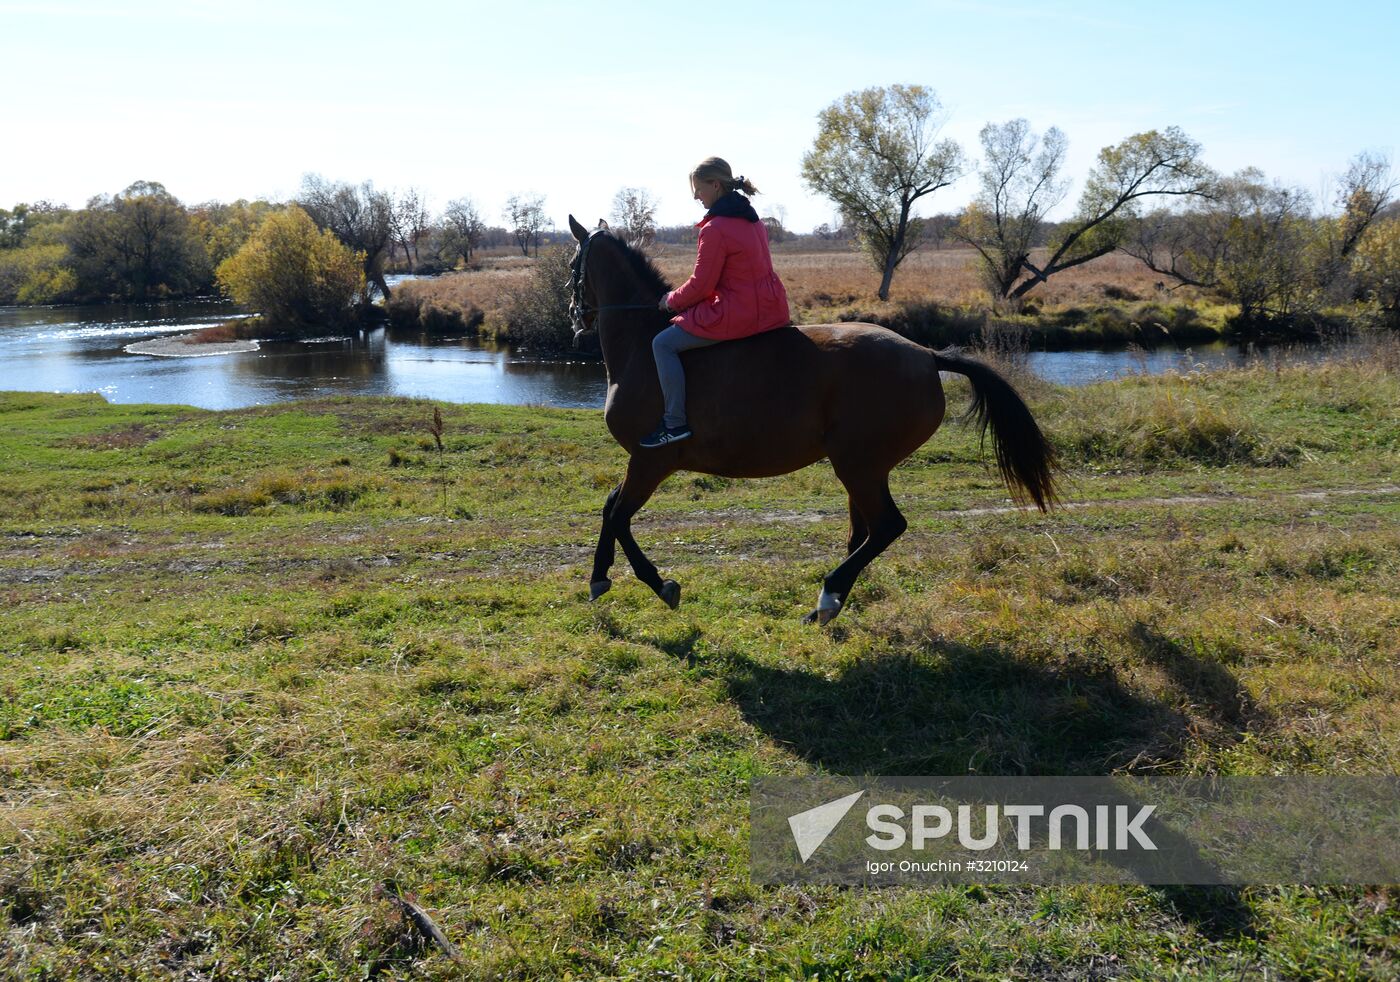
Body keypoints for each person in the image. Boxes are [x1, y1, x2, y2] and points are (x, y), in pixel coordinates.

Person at [639, 157, 791, 448]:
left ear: (716, 185)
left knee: (663, 344)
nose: (696, 196)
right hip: (772, 309)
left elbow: (701, 286)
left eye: (698, 189)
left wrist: (670, 301)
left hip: (738, 314)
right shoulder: (753, 220)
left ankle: (674, 424)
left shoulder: (715, 228)